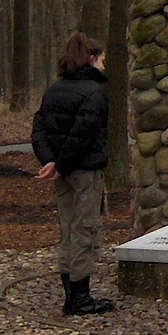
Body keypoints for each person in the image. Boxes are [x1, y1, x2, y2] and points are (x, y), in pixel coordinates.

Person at [32, 32, 117, 316]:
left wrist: (51, 162)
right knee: (84, 230)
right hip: (83, 172)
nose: (104, 65)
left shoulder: (53, 91)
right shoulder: (94, 94)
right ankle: (80, 298)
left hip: (62, 173)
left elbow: (39, 130)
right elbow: (83, 135)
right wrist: (60, 164)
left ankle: (72, 295)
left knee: (68, 229)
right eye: (101, 59)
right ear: (91, 59)